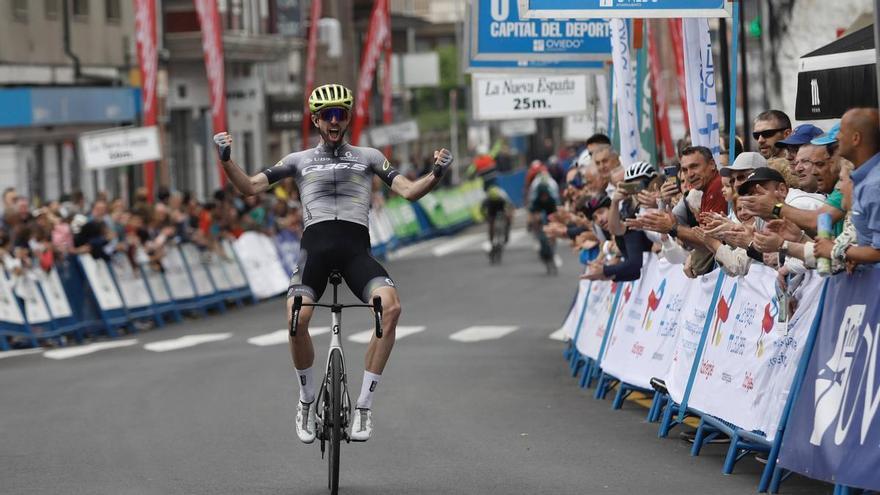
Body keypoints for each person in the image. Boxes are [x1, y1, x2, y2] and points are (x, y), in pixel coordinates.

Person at [212, 83, 454, 444]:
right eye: (328, 115)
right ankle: (307, 401)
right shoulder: (297, 161)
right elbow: (249, 187)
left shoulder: (369, 156)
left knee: (391, 309)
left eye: (341, 114)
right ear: (316, 120)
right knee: (297, 318)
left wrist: (436, 173)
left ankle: (365, 407)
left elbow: (407, 190)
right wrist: (227, 160)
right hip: (316, 254)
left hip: (357, 253)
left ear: (349, 118)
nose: (335, 121)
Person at [482, 184, 514, 254]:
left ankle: (506, 234)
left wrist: (509, 215)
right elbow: (482, 209)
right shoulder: (487, 199)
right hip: (492, 209)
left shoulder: (502, 197)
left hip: (501, 207)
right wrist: (485, 217)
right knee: (490, 223)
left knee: (508, 219)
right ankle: (491, 240)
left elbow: (510, 206)